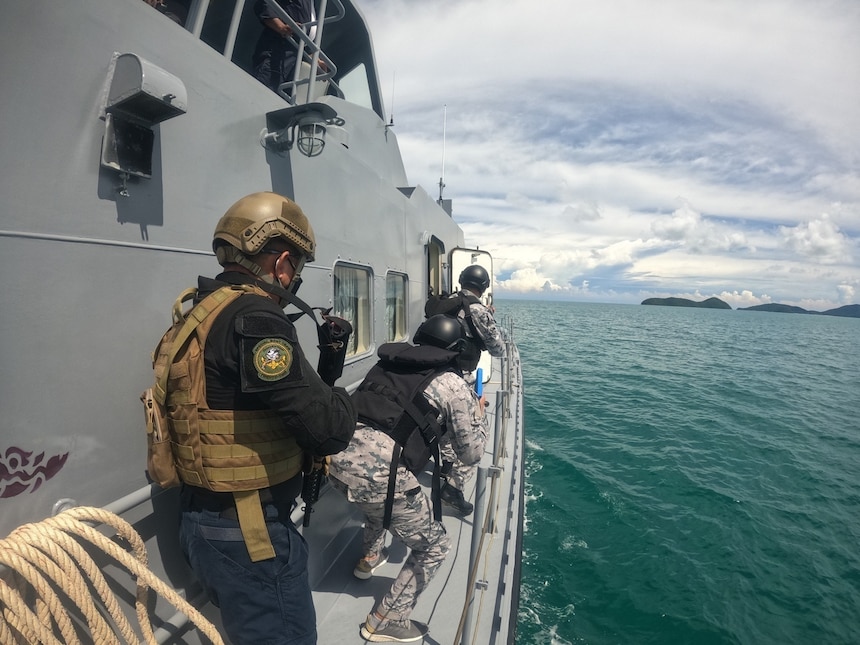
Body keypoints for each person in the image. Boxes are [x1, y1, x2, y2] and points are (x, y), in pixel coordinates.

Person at [150, 191, 356, 645]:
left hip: (203, 519)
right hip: (250, 532)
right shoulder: (257, 318)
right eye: (296, 269)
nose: (293, 280)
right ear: (282, 263)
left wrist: (327, 364)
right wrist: (341, 394)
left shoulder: (198, 312)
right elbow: (329, 430)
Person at [328, 315, 489, 643]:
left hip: (335, 464)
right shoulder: (453, 383)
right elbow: (471, 454)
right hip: (380, 479)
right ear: (457, 350)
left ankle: (370, 556)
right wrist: (480, 414)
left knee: (381, 497)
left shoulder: (387, 363)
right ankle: (386, 619)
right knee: (435, 546)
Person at [427, 264, 505, 516]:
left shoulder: (444, 302)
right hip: (461, 378)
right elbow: (498, 349)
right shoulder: (478, 310)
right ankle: (453, 487)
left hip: (433, 373)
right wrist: (487, 318)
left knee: (444, 426)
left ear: (461, 281)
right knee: (473, 429)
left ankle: (446, 464)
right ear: (483, 287)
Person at [253, 0, 316, 93]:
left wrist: (314, 59)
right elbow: (264, 3)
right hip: (276, 54)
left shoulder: (311, 3)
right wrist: (281, 27)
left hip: (293, 61)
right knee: (263, 94)